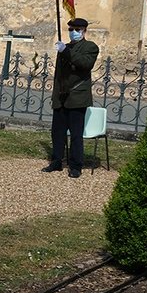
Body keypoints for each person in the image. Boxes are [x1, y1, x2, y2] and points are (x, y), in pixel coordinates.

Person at [42, 16, 99, 179]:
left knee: (75, 134)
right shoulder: (64, 47)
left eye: (76, 30)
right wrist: (56, 95)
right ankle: (57, 161)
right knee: (57, 132)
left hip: (77, 98)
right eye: (70, 30)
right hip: (61, 97)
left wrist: (66, 52)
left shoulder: (90, 47)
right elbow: (60, 75)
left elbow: (85, 64)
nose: (73, 32)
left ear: (84, 31)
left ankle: (75, 165)